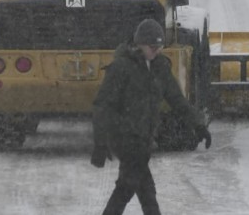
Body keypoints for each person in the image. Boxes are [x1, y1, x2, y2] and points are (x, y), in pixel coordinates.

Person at [91, 18, 212, 215]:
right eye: (152, 46)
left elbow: (176, 99)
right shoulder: (121, 68)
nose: (156, 51)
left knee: (137, 188)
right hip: (123, 137)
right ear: (139, 44)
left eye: (160, 46)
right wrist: (100, 143)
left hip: (144, 138)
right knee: (135, 188)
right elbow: (103, 106)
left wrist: (199, 125)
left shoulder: (160, 67)